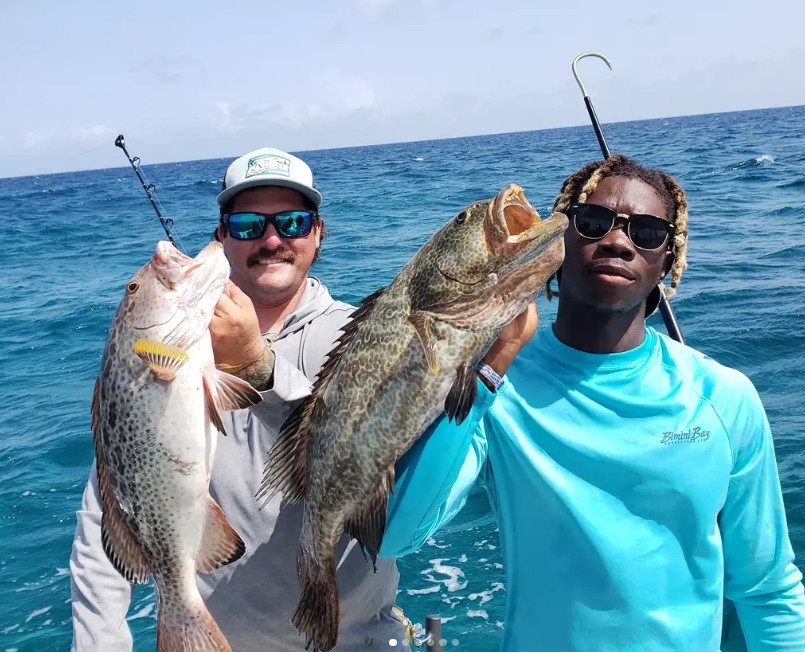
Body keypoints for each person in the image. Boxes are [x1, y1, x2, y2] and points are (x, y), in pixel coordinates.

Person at [381, 155, 805, 650]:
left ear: (667, 260)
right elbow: (396, 536)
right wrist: (494, 365)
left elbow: (768, 589)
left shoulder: (723, 397)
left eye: (647, 232)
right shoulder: (497, 384)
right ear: (557, 240)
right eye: (593, 222)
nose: (618, 241)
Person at [70, 147, 408, 650]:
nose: (271, 239)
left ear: (318, 233)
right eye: (248, 225)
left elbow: (367, 470)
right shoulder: (164, 353)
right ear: (222, 237)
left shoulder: (362, 336)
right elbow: (114, 503)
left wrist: (257, 365)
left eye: (292, 222)